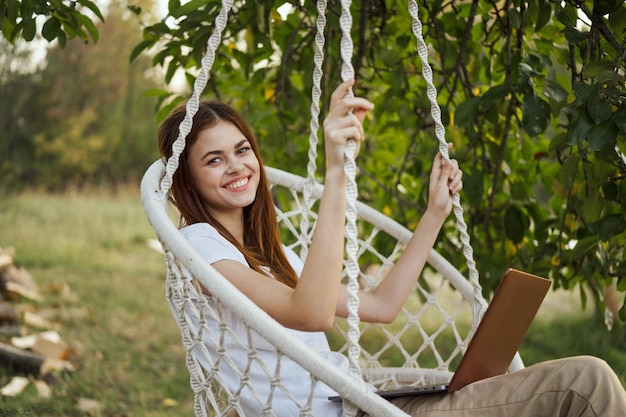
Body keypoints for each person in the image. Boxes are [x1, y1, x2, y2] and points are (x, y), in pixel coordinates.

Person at [157, 79, 626, 416]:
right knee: (588, 382)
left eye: (242, 150)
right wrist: (337, 172)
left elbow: (380, 306)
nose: (237, 166)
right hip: (345, 409)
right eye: (213, 160)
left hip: (360, 395)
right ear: (189, 178)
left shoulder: (270, 256)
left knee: (536, 380)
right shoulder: (199, 246)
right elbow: (312, 315)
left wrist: (434, 214)